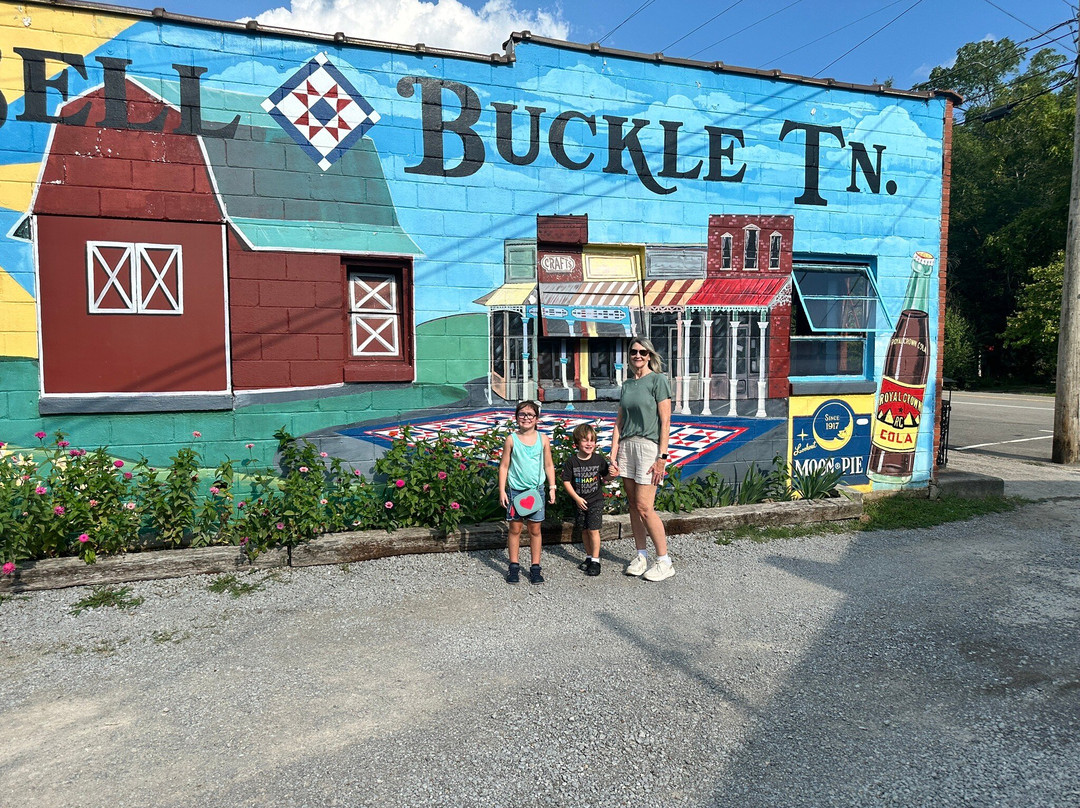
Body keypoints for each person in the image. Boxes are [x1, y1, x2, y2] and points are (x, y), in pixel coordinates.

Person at [609, 337, 674, 582]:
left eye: (642, 352)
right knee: (634, 506)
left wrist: (662, 457)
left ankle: (664, 561)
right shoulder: (626, 385)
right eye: (634, 352)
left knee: (646, 507)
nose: (638, 355)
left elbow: (666, 422)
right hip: (627, 446)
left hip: (649, 447)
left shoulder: (658, 381)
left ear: (649, 355)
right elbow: (619, 422)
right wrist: (613, 454)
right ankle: (640, 555)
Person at [497, 400, 556, 584]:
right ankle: (513, 565)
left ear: (537, 418)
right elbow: (504, 466)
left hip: (536, 491)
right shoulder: (511, 440)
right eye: (522, 414)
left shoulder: (543, 439)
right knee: (514, 529)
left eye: (530, 415)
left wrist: (552, 487)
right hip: (515, 491)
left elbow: (548, 464)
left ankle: (535, 566)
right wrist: (502, 490)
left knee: (535, 529)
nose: (526, 418)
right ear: (516, 417)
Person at [561, 422, 619, 577]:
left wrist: (612, 475)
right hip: (579, 501)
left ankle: (595, 560)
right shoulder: (572, 462)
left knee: (593, 530)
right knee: (585, 531)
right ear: (577, 443)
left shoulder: (598, 460)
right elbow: (566, 481)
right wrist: (576, 498)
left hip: (595, 501)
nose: (589, 444)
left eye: (592, 440)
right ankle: (588, 556)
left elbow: (605, 477)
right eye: (585, 440)